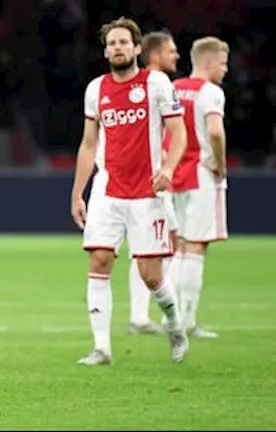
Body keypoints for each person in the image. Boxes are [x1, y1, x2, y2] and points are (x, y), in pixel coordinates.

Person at [70, 17, 189, 365]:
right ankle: (102, 348)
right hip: (107, 190)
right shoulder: (96, 89)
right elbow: (88, 144)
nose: (117, 48)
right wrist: (78, 193)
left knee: (151, 276)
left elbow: (178, 132)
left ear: (137, 48)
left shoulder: (156, 83)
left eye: (123, 42)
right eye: (111, 43)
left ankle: (175, 324)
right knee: (99, 260)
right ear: (105, 51)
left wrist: (168, 168)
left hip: (147, 192)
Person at [166, 37, 230, 339]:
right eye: (223, 63)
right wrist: (220, 163)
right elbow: (215, 131)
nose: (225, 70)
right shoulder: (211, 92)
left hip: (175, 174)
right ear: (208, 62)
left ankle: (171, 317)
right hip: (202, 174)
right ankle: (188, 321)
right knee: (196, 246)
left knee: (179, 246)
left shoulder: (173, 88)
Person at [127, 31, 182, 335]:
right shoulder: (153, 83)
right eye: (171, 51)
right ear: (155, 55)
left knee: (152, 246)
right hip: (150, 180)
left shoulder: (144, 84)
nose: (176, 56)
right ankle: (154, 315)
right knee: (163, 244)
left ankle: (142, 315)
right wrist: (165, 164)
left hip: (150, 177)